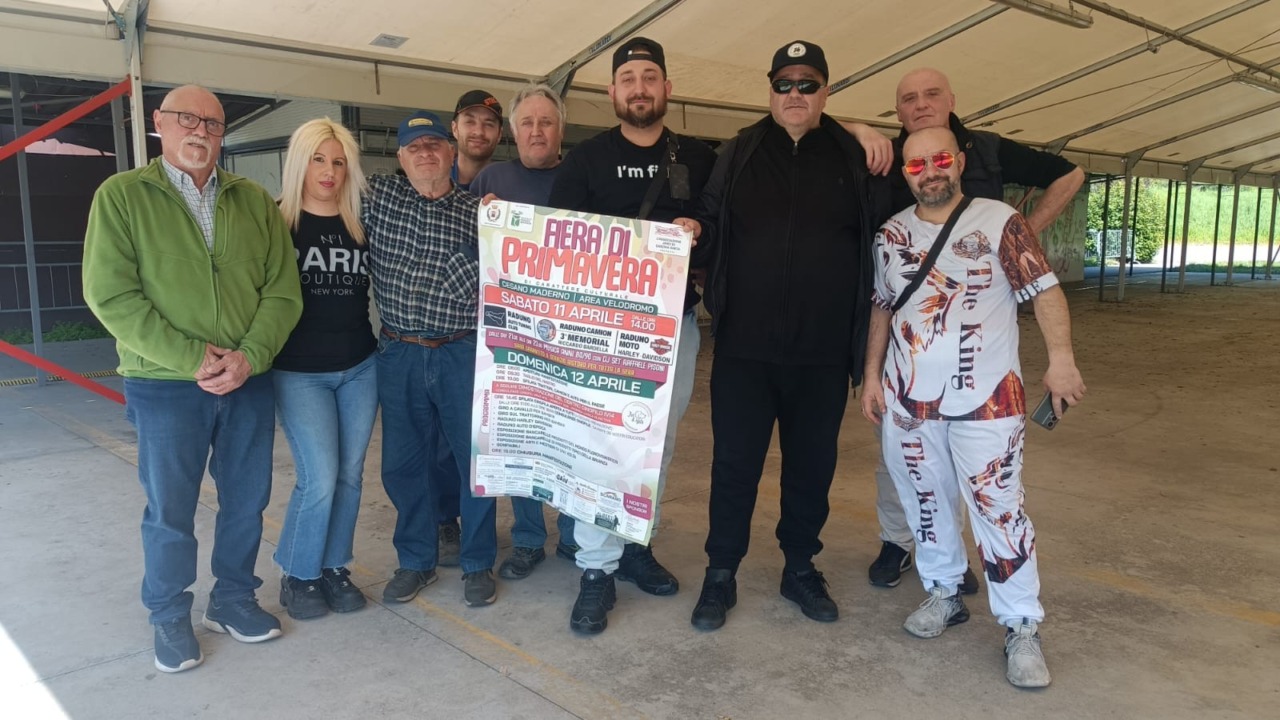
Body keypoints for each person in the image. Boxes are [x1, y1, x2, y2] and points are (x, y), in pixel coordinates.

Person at [82, 85, 302, 672]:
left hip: (247, 380)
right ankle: (168, 614)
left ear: (222, 132)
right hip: (164, 383)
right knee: (171, 509)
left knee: (246, 501)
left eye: (211, 121)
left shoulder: (253, 201)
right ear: (160, 124)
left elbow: (283, 291)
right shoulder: (123, 196)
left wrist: (249, 355)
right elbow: (110, 293)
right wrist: (190, 357)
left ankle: (231, 600)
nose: (199, 130)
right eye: (187, 119)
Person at [860, 126, 1086, 688]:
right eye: (916, 164)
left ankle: (1021, 625)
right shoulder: (890, 235)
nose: (929, 171)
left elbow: (1045, 290)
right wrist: (871, 378)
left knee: (999, 510)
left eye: (940, 159)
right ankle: (944, 592)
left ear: (959, 161)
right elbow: (883, 309)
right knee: (926, 502)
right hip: (910, 402)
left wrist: (1062, 359)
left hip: (989, 402)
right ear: (904, 172)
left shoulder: (1000, 221)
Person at [681, 41, 891, 631]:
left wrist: (863, 130)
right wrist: (696, 226)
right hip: (744, 349)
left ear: (826, 90)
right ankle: (720, 572)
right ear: (768, 88)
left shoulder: (854, 154)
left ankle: (800, 566)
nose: (794, 94)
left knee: (811, 467)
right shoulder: (742, 149)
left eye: (808, 84)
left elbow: (901, 211)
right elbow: (712, 214)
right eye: (784, 83)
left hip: (823, 353)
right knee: (734, 465)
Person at [546, 37, 717, 635]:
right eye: (628, 79)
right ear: (611, 92)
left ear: (667, 89)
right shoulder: (585, 160)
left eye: (650, 77)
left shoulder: (700, 155)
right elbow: (558, 240)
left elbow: (725, 228)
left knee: (655, 449)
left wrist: (702, 229)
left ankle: (635, 544)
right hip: (600, 335)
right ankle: (596, 570)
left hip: (676, 329)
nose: (639, 88)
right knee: (603, 451)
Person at [364, 110, 498, 607]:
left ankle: (478, 562)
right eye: (414, 146)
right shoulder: (378, 197)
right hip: (398, 351)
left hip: (461, 350)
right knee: (403, 465)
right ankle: (415, 561)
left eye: (435, 144)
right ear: (401, 157)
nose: (426, 153)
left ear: (452, 151)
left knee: (475, 463)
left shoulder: (481, 214)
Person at [271, 118, 377, 620]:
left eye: (338, 161)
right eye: (318, 159)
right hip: (298, 371)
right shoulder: (276, 222)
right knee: (320, 476)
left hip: (359, 366)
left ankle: (334, 567)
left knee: (351, 477)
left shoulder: (360, 221)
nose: (329, 171)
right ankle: (298, 572)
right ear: (300, 162)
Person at [471, 83, 578, 580]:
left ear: (561, 129)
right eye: (528, 123)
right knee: (523, 438)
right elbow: (467, 247)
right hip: (513, 336)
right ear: (514, 131)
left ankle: (576, 537)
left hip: (575, 333)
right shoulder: (492, 177)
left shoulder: (582, 176)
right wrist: (482, 218)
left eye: (547, 122)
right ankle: (530, 538)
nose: (537, 131)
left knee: (574, 435)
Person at [431, 89, 506, 565]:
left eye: (489, 123)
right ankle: (443, 520)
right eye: (470, 121)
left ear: (501, 134)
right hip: (448, 336)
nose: (479, 130)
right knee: (441, 441)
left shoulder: (510, 186)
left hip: (501, 332)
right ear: (454, 128)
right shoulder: (432, 183)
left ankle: (484, 527)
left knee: (487, 439)